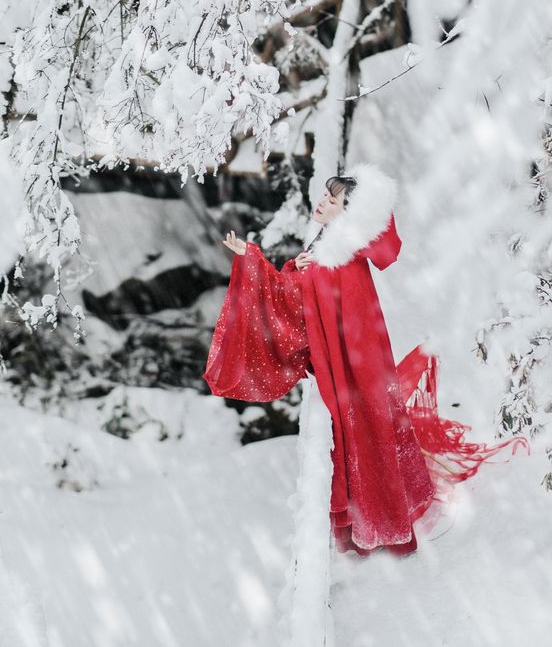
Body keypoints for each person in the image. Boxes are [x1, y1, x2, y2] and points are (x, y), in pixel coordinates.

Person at [203, 162, 529, 556]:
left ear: (350, 213)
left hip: (357, 371)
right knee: (372, 435)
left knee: (367, 437)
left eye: (332, 199)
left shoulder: (337, 260)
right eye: (324, 195)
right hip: (362, 367)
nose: (321, 202)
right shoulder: (331, 253)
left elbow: (300, 304)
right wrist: (261, 259)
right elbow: (301, 299)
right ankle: (384, 512)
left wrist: (266, 266)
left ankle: (383, 521)